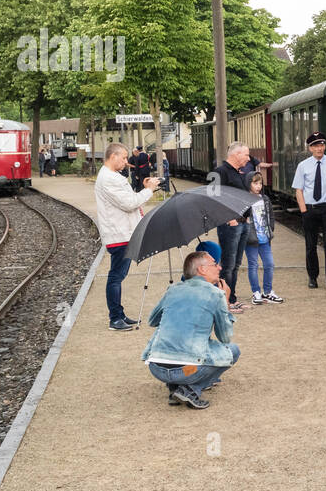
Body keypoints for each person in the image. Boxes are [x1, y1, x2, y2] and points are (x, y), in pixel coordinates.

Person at [142, 251, 240, 410]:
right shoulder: (216, 294)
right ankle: (189, 390)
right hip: (188, 370)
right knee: (233, 350)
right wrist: (226, 302)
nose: (220, 267)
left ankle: (175, 387)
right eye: (215, 264)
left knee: (195, 354)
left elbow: (152, 321)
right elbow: (225, 338)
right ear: (202, 269)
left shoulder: (173, 289)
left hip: (156, 368)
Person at [94, 142, 159, 331]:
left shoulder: (110, 177)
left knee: (117, 276)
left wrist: (144, 188)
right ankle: (115, 318)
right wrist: (149, 190)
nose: (125, 161)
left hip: (121, 232)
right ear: (112, 156)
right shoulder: (110, 179)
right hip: (119, 233)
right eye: (123, 157)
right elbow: (130, 203)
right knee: (116, 277)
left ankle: (119, 315)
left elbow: (128, 201)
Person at [292, 132, 326, 292]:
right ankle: (313, 277)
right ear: (310, 148)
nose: (319, 148)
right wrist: (304, 210)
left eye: (321, 145)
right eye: (315, 146)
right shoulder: (303, 166)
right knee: (311, 245)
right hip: (310, 209)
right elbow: (298, 190)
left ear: (325, 146)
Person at [213, 142, 255, 311]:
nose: (248, 158)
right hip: (230, 225)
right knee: (228, 265)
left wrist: (247, 217)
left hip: (243, 224)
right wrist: (229, 218)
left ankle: (232, 298)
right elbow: (213, 198)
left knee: (236, 264)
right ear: (236, 154)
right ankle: (225, 301)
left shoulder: (238, 172)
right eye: (246, 155)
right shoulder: (219, 172)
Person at [244, 171, 283, 304]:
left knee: (269, 264)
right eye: (255, 183)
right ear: (249, 184)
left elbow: (271, 216)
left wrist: (270, 229)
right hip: (251, 239)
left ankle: (267, 291)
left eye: (260, 183)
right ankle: (256, 292)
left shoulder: (265, 199)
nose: (258, 186)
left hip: (264, 238)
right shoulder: (244, 199)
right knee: (253, 265)